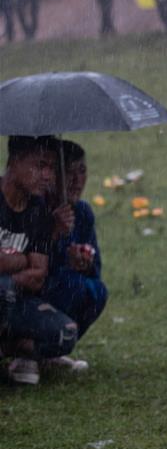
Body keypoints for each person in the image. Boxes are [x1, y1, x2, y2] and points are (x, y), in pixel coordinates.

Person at [1, 137, 78, 386]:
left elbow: (37, 276)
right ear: (14, 161)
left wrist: (9, 268)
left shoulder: (38, 211)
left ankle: (11, 348)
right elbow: (30, 267)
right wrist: (23, 260)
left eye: (52, 168)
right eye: (40, 165)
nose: (47, 175)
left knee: (65, 334)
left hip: (14, 301)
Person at [42, 141, 107, 355]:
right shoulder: (37, 209)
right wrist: (53, 234)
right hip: (38, 292)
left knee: (96, 291)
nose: (77, 181)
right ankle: (28, 350)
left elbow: (95, 271)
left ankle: (52, 352)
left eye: (82, 171)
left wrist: (84, 262)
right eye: (69, 172)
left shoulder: (83, 213)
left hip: (70, 287)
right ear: (53, 176)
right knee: (71, 285)